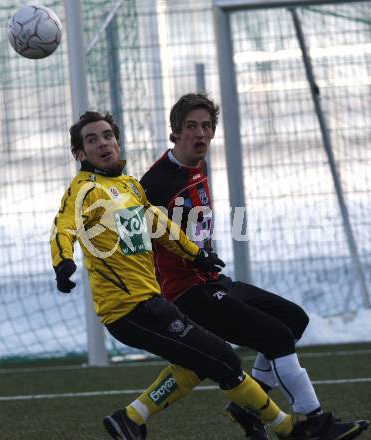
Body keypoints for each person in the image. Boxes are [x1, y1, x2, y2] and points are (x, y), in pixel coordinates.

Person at [50, 110, 339, 440]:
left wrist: (197, 255)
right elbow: (63, 228)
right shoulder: (84, 190)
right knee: (225, 360)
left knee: (196, 364)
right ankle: (289, 428)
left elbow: (160, 226)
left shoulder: (128, 186)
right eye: (92, 139)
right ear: (80, 153)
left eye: (107, 135)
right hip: (127, 309)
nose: (103, 143)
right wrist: (63, 262)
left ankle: (130, 419)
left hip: (151, 301)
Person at [135, 93, 369, 440]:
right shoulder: (154, 184)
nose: (200, 134)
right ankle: (312, 421)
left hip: (213, 281)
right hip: (189, 295)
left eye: (206, 126)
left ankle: (248, 407)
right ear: (175, 133)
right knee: (276, 337)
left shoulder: (196, 168)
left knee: (294, 319)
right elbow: (139, 243)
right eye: (191, 126)